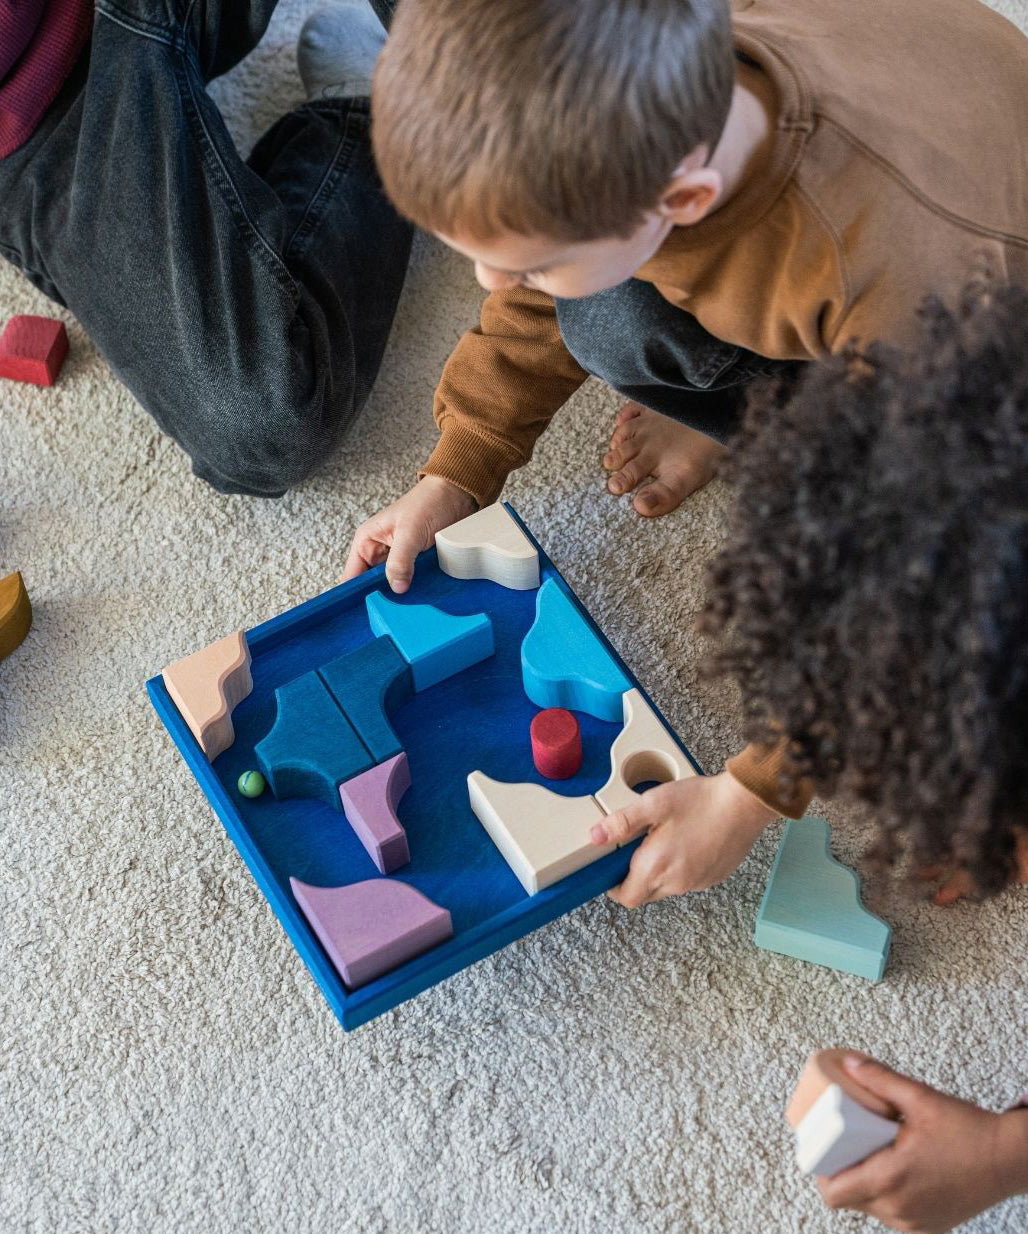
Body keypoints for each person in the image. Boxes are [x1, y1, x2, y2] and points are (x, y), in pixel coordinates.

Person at [339, 0, 1028, 889]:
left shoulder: (914, 291)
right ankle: (751, 390)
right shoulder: (661, 83)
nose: (489, 282)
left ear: (685, 201)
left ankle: (780, 403)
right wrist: (457, 468)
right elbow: (533, 275)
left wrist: (747, 796)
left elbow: (906, 574)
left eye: (525, 262)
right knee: (598, 306)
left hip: (986, 386)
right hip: (865, 301)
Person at [0, 0, 410, 496]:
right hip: (38, 128)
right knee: (268, 418)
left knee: (496, 84)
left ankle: (486, 74)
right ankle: (365, 103)